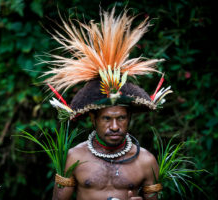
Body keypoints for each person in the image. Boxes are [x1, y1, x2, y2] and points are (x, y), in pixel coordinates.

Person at [43, 7, 172, 200]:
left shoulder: (146, 161)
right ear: (93, 118)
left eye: (121, 118)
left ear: (129, 118)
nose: (114, 126)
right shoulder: (74, 157)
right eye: (106, 118)